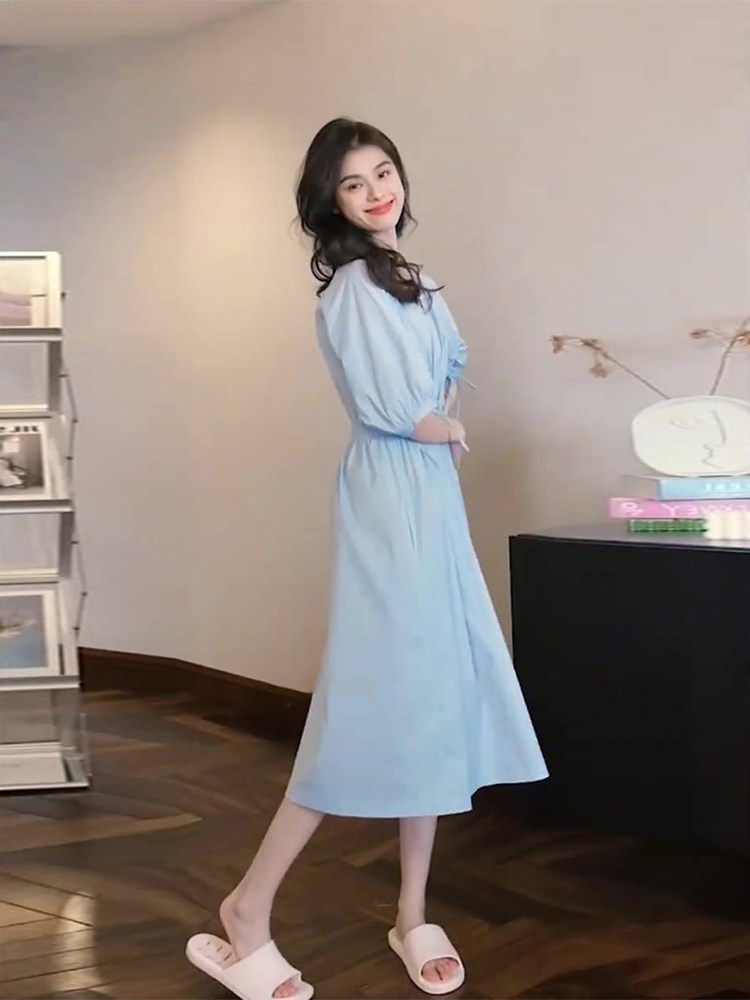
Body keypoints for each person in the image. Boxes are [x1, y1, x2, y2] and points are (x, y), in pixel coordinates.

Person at [186, 118, 548, 1000]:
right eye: (354, 182)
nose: (377, 190)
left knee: (432, 697)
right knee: (368, 698)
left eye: (384, 171)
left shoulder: (411, 277)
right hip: (392, 497)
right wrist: (441, 424)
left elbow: (443, 372)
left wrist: (440, 421)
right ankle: (248, 907)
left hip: (426, 495)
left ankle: (413, 910)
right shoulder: (354, 288)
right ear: (332, 202)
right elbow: (399, 408)